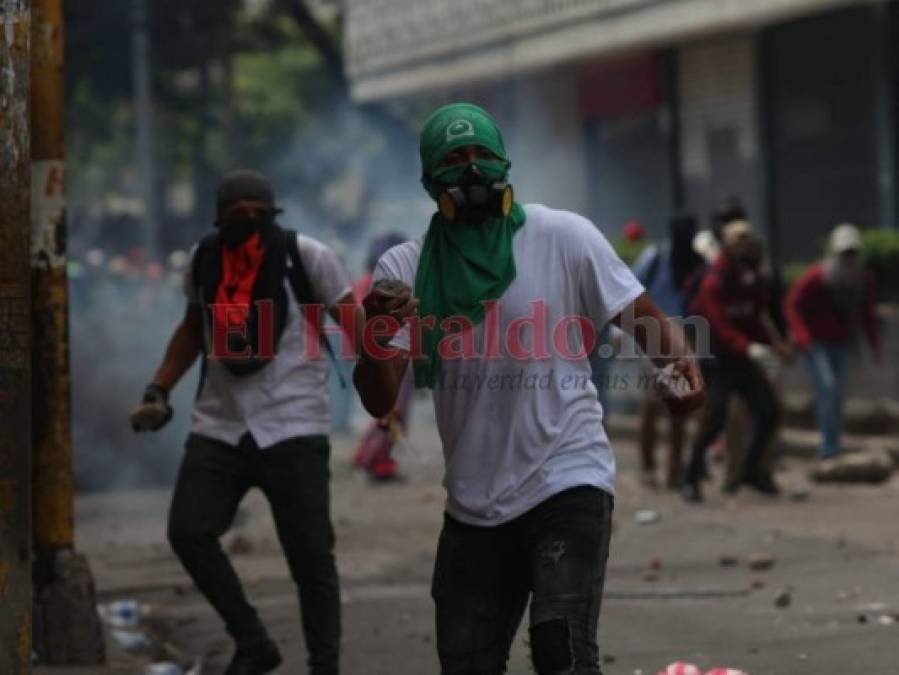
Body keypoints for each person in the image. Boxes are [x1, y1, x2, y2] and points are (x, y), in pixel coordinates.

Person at [353, 103, 704, 675]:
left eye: (481, 156)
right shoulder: (405, 266)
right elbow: (376, 395)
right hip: (472, 501)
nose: (471, 173)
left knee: (560, 650)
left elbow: (645, 318)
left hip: (567, 475)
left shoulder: (564, 236)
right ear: (429, 180)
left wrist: (684, 367)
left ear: (503, 163)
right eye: (454, 161)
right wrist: (376, 334)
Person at [130, 170, 360, 675]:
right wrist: (158, 389)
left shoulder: (309, 256)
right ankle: (253, 641)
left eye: (259, 215)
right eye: (238, 217)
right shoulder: (203, 258)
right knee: (189, 531)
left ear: (274, 215)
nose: (249, 224)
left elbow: (355, 327)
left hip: (294, 426)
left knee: (312, 560)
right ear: (219, 219)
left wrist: (385, 391)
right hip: (220, 425)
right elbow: (194, 328)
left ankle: (326, 666)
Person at [683, 219, 789, 502]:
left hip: (742, 359)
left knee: (770, 411)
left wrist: (772, 344)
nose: (746, 247)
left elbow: (754, 317)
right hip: (717, 360)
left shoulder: (751, 276)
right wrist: (750, 347)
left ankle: (752, 471)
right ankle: (690, 477)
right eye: (739, 242)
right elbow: (720, 326)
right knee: (714, 420)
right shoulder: (713, 281)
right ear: (728, 246)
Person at [784, 223, 880, 459]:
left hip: (843, 344)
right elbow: (792, 304)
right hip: (816, 345)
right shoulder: (818, 276)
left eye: (852, 253)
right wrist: (802, 335)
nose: (849, 258)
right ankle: (829, 447)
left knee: (838, 395)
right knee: (828, 389)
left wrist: (874, 344)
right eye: (844, 253)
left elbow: (867, 313)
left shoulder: (862, 279)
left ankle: (834, 442)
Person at [631, 214, 705, 489]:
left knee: (679, 407)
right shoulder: (654, 259)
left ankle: (674, 469)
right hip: (653, 337)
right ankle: (649, 466)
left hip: (685, 340)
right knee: (652, 405)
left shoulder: (698, 264)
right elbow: (629, 290)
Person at [351, 232, 414, 481]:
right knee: (392, 414)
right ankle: (376, 461)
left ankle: (371, 456)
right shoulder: (377, 287)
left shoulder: (363, 283)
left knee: (389, 413)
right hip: (390, 355)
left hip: (383, 355)